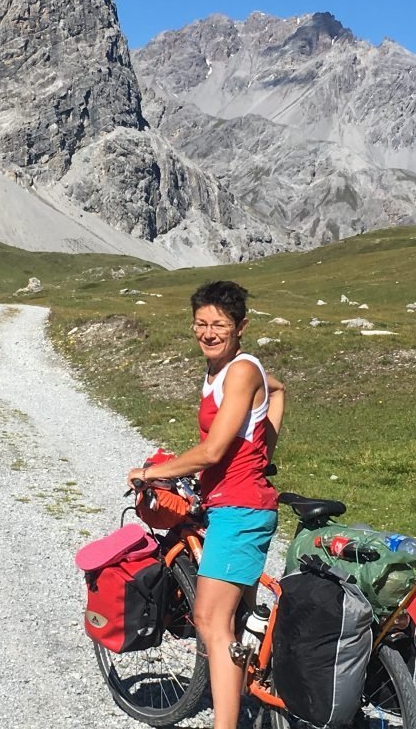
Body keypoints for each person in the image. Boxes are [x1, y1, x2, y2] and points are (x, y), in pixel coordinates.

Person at [126, 280, 285, 729]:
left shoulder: (239, 371)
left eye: (220, 324)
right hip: (228, 502)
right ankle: (249, 694)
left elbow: (214, 451)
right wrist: (262, 449)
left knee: (210, 619)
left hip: (241, 508)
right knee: (232, 621)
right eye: (201, 323)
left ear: (241, 327)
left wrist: (153, 473)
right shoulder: (221, 370)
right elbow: (278, 390)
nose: (209, 332)